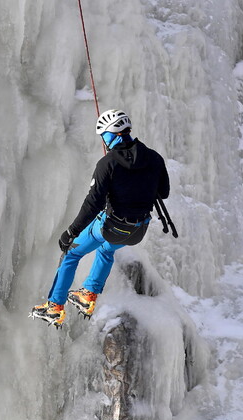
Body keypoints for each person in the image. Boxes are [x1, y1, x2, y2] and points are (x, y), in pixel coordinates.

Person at [31, 109, 170, 327]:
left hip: (111, 226)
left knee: (71, 253)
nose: (103, 141)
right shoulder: (154, 158)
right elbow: (163, 193)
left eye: (103, 135)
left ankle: (54, 307)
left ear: (112, 134)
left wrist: (71, 232)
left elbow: (93, 204)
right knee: (106, 250)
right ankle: (88, 295)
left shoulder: (107, 164)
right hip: (137, 231)